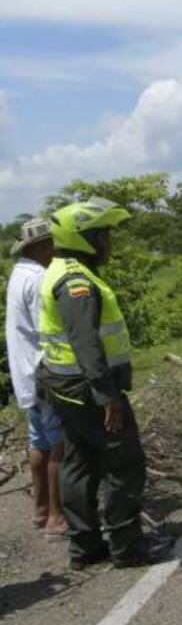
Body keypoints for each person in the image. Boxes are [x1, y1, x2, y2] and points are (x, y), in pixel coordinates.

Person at [38, 197, 170, 569]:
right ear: (84, 238)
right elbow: (86, 344)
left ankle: (85, 547)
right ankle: (128, 548)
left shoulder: (60, 268)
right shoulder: (76, 282)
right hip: (88, 389)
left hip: (65, 386)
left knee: (79, 464)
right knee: (124, 463)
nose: (109, 244)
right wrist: (107, 396)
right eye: (104, 236)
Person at [5, 218, 67, 539]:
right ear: (42, 246)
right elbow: (48, 329)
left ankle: (40, 510)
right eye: (52, 244)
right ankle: (57, 517)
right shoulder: (41, 278)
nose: (55, 249)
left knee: (38, 440)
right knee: (58, 442)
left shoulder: (18, 275)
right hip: (45, 373)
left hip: (25, 373)